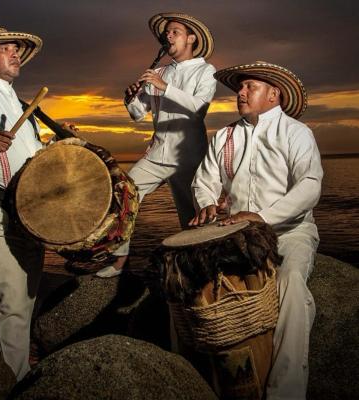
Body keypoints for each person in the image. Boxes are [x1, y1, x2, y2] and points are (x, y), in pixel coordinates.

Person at [189, 61, 323, 400]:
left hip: (290, 232)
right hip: (236, 235)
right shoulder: (225, 135)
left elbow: (309, 186)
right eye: (240, 88)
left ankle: (286, 392)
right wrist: (205, 203)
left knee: (291, 285)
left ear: (273, 94)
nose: (241, 93)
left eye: (251, 87)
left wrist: (262, 217)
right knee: (189, 284)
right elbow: (203, 181)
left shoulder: (296, 133)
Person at [96, 13, 217, 277]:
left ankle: (201, 270)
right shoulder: (160, 71)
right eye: (167, 33)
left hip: (189, 157)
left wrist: (164, 87)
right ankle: (119, 260)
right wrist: (130, 100)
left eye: (175, 32)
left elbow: (199, 108)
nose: (168, 36)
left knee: (192, 217)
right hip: (156, 155)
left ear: (191, 38)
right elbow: (139, 114)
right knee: (124, 196)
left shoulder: (205, 70)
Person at [0, 27, 45, 381]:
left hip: (28, 215)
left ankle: (17, 371)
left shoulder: (19, 101)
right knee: (10, 304)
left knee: (26, 296)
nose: (15, 53)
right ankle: (13, 384)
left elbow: (30, 154)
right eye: (5, 48)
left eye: (16, 49)